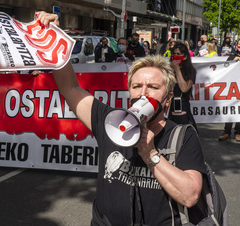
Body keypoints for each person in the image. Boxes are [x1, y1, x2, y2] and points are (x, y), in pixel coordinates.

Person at [36, 11, 206, 226]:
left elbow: (189, 196)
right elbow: (70, 88)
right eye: (136, 86)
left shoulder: (182, 136)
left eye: (153, 87)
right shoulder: (110, 120)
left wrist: (150, 153)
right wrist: (54, 36)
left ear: (168, 98)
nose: (143, 93)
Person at [169, 43, 198, 131]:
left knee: (186, 132)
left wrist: (177, 70)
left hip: (182, 106)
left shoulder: (190, 71)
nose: (175, 56)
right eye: (174, 54)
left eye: (178, 54)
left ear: (185, 57)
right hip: (169, 106)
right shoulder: (167, 70)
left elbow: (184, 88)